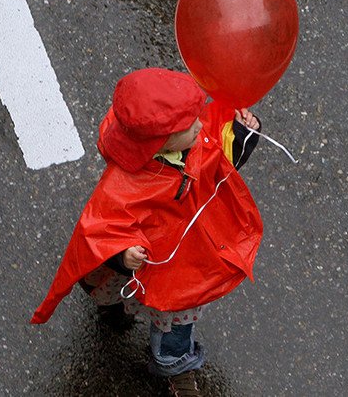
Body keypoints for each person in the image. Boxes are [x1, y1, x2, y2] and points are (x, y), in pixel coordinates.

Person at [31, 68, 264, 395]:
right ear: (160, 140)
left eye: (197, 116)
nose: (200, 125)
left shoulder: (194, 138)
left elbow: (219, 164)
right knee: (119, 291)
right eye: (190, 124)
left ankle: (176, 364)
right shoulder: (123, 185)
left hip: (182, 263)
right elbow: (102, 231)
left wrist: (241, 134)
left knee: (178, 317)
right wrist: (122, 254)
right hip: (148, 261)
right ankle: (117, 313)